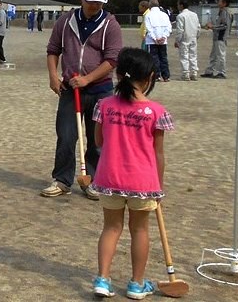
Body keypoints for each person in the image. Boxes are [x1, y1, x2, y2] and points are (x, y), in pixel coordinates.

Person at [90, 48, 173, 299]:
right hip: (143, 181)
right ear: (149, 77)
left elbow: (98, 141)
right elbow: (159, 155)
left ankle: (103, 279)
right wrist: (159, 186)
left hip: (109, 177)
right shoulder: (156, 112)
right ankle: (137, 284)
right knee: (140, 231)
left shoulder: (104, 105)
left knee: (111, 228)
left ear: (118, 74)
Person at [41, 0, 123, 200]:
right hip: (70, 89)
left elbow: (112, 59)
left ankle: (95, 180)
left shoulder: (110, 24)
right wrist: (53, 76)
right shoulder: (66, 21)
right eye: (90, 0)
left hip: (100, 90)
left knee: (97, 139)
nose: (95, 5)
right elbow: (53, 50)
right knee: (66, 136)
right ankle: (62, 180)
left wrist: (89, 79)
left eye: (99, 2)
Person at [201, 0, 230, 79]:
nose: (218, 3)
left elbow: (224, 25)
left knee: (221, 55)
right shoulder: (220, 12)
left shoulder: (225, 12)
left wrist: (212, 27)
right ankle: (210, 71)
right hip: (216, 37)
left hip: (221, 37)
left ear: (224, 3)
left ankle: (222, 72)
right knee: (213, 55)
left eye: (220, 1)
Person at [144, 0, 172, 82]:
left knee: (153, 58)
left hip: (152, 41)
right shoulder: (164, 15)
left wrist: (154, 38)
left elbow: (149, 28)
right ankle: (166, 76)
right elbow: (168, 27)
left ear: (150, 5)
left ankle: (156, 75)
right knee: (163, 58)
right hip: (163, 41)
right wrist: (164, 37)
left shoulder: (148, 15)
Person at [172, 0, 201, 81]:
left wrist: (177, 40)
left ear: (181, 5)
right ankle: (194, 73)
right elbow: (198, 28)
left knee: (184, 56)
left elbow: (180, 30)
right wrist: (196, 37)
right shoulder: (194, 15)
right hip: (193, 37)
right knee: (193, 55)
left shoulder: (180, 16)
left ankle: (185, 73)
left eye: (178, 5)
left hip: (184, 38)